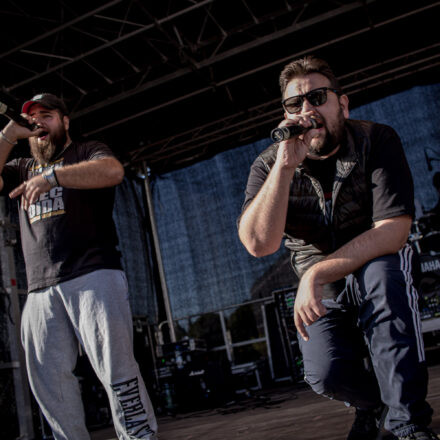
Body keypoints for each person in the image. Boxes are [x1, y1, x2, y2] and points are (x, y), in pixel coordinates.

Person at [238, 56, 437, 440]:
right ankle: (372, 405)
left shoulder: (375, 140)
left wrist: (316, 272)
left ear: (342, 104)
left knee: (384, 281)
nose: (306, 110)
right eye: (294, 104)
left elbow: (394, 230)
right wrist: (283, 168)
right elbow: (259, 244)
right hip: (322, 284)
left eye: (317, 97)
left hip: (372, 260)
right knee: (325, 374)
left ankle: (407, 425)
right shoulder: (268, 165)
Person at [0, 93, 158, 440]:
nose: (39, 122)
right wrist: (8, 136)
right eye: (33, 118)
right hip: (40, 288)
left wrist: (53, 177)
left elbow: (113, 171)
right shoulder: (22, 167)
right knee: (50, 386)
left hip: (93, 275)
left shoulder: (86, 151)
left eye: (48, 115)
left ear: (65, 121)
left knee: (117, 371)